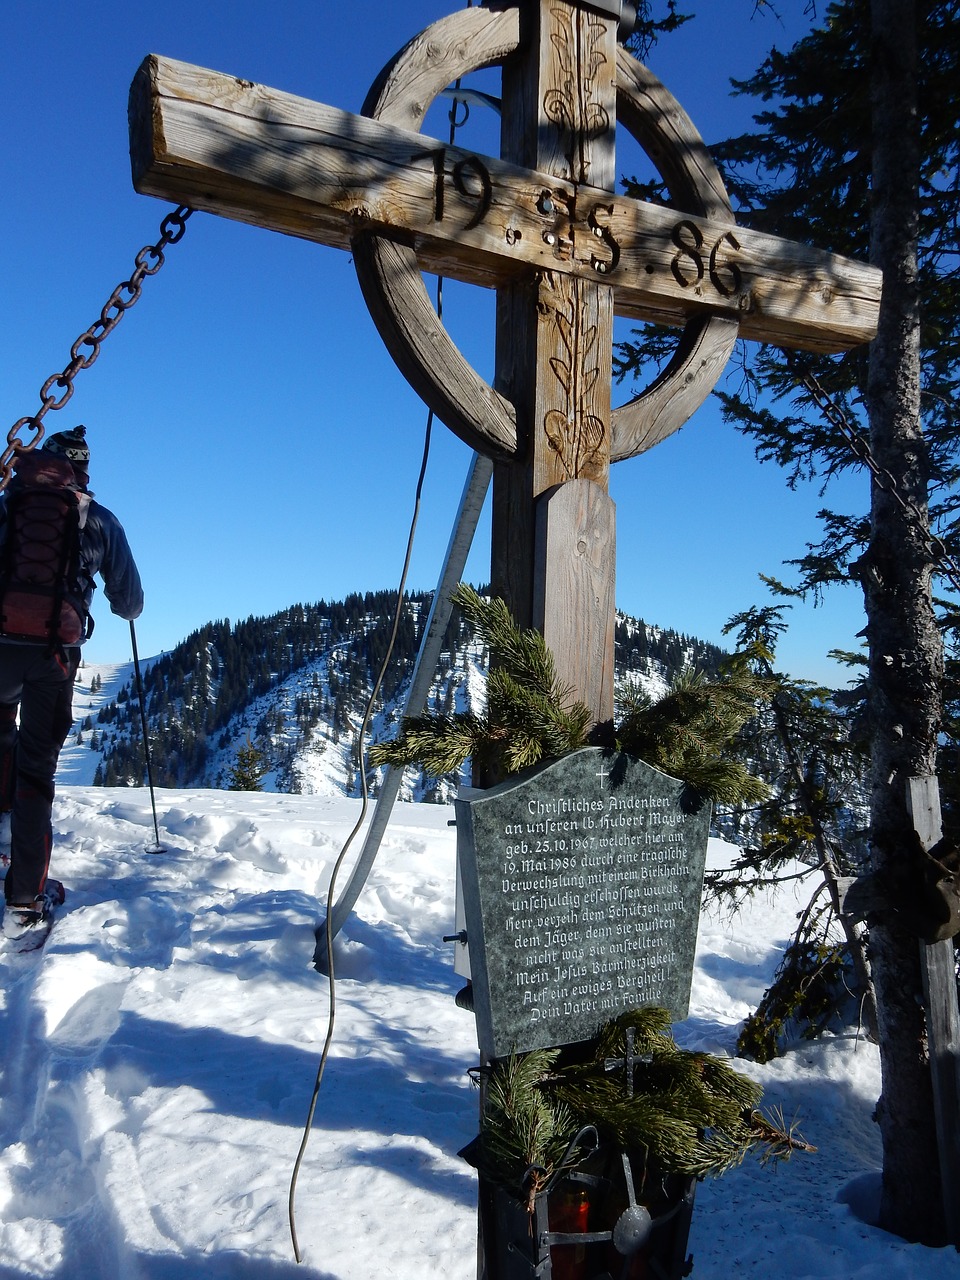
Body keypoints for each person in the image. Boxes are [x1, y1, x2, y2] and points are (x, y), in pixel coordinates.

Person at [0, 425, 143, 941]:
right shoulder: (98, 519)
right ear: (83, 469)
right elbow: (129, 603)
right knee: (35, 770)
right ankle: (24, 901)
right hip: (53, 657)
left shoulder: (7, 505)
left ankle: (1, 839)